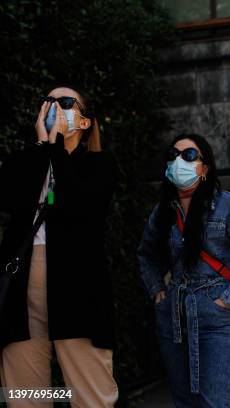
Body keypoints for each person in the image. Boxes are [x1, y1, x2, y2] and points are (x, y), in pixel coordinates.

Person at [0, 86, 118, 407]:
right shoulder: (28, 160)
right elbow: (8, 196)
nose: (54, 107)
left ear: (84, 121)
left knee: (90, 396)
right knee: (25, 397)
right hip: (21, 295)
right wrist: (42, 147)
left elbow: (79, 204)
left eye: (65, 103)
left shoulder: (99, 164)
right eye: (48, 102)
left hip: (78, 292)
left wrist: (56, 151)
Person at [138, 133, 230, 407]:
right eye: (173, 155)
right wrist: (157, 291)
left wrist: (226, 300)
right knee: (184, 402)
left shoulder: (226, 204)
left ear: (205, 168)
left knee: (215, 402)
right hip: (173, 315)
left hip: (217, 316)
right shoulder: (162, 211)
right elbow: (146, 254)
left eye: (190, 155)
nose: (179, 161)